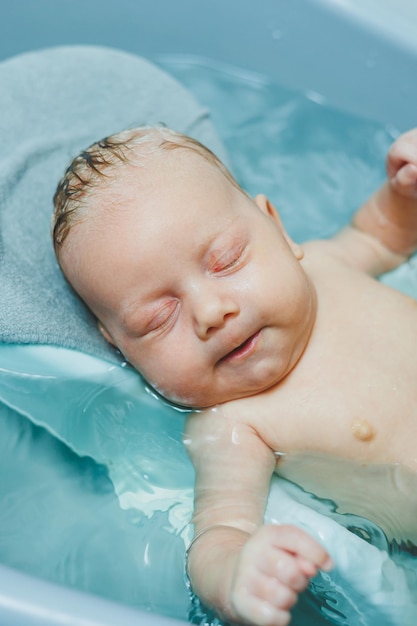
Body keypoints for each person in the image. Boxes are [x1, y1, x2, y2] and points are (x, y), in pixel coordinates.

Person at [52, 125, 417, 626]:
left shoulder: (329, 264)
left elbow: (382, 235)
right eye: (157, 319)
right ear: (121, 347)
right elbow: (219, 532)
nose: (210, 311)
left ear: (279, 230)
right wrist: (236, 576)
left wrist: (403, 193)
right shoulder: (233, 425)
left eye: (225, 261)